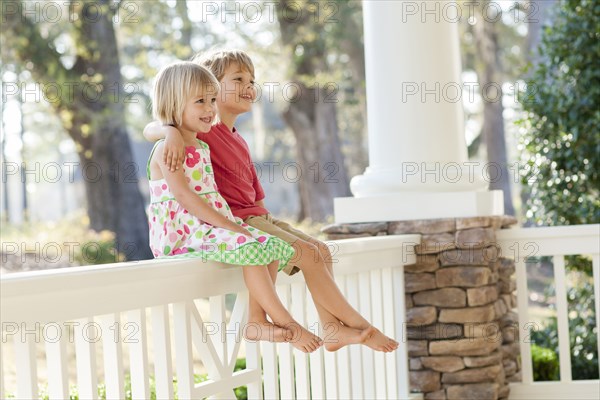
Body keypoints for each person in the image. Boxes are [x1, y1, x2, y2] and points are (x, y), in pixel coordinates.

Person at [144, 51, 398, 352]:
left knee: (321, 251)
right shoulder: (204, 133)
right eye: (237, 79)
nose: (248, 86)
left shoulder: (233, 138)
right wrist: (170, 131)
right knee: (306, 254)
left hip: (254, 216)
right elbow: (153, 128)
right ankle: (359, 326)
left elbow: (255, 189)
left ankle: (330, 328)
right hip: (232, 219)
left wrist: (270, 221)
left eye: (251, 80)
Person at [147, 61, 323, 353]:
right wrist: (231, 225)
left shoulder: (201, 147)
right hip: (182, 233)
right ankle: (288, 324)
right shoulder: (168, 148)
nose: (210, 108)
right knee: (252, 245)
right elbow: (186, 198)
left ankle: (257, 321)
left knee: (271, 245)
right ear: (174, 104)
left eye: (213, 100)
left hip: (208, 226)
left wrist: (232, 226)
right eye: (200, 101)